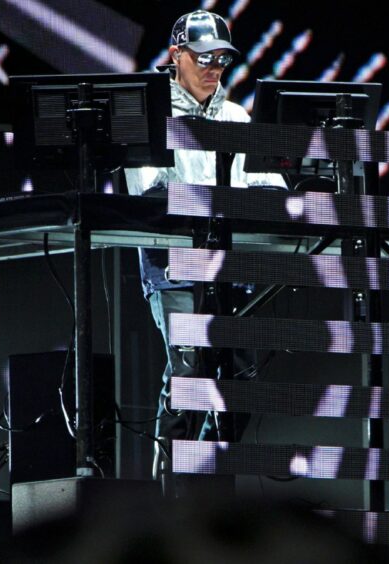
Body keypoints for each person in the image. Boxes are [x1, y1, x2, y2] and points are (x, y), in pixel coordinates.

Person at [124, 10, 285, 476]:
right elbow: (153, 195)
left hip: (231, 265)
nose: (215, 67)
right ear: (177, 56)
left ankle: (207, 472)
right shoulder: (153, 116)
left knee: (243, 378)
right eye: (205, 57)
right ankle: (169, 483)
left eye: (222, 59)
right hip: (173, 263)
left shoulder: (237, 116)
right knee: (191, 371)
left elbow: (270, 189)